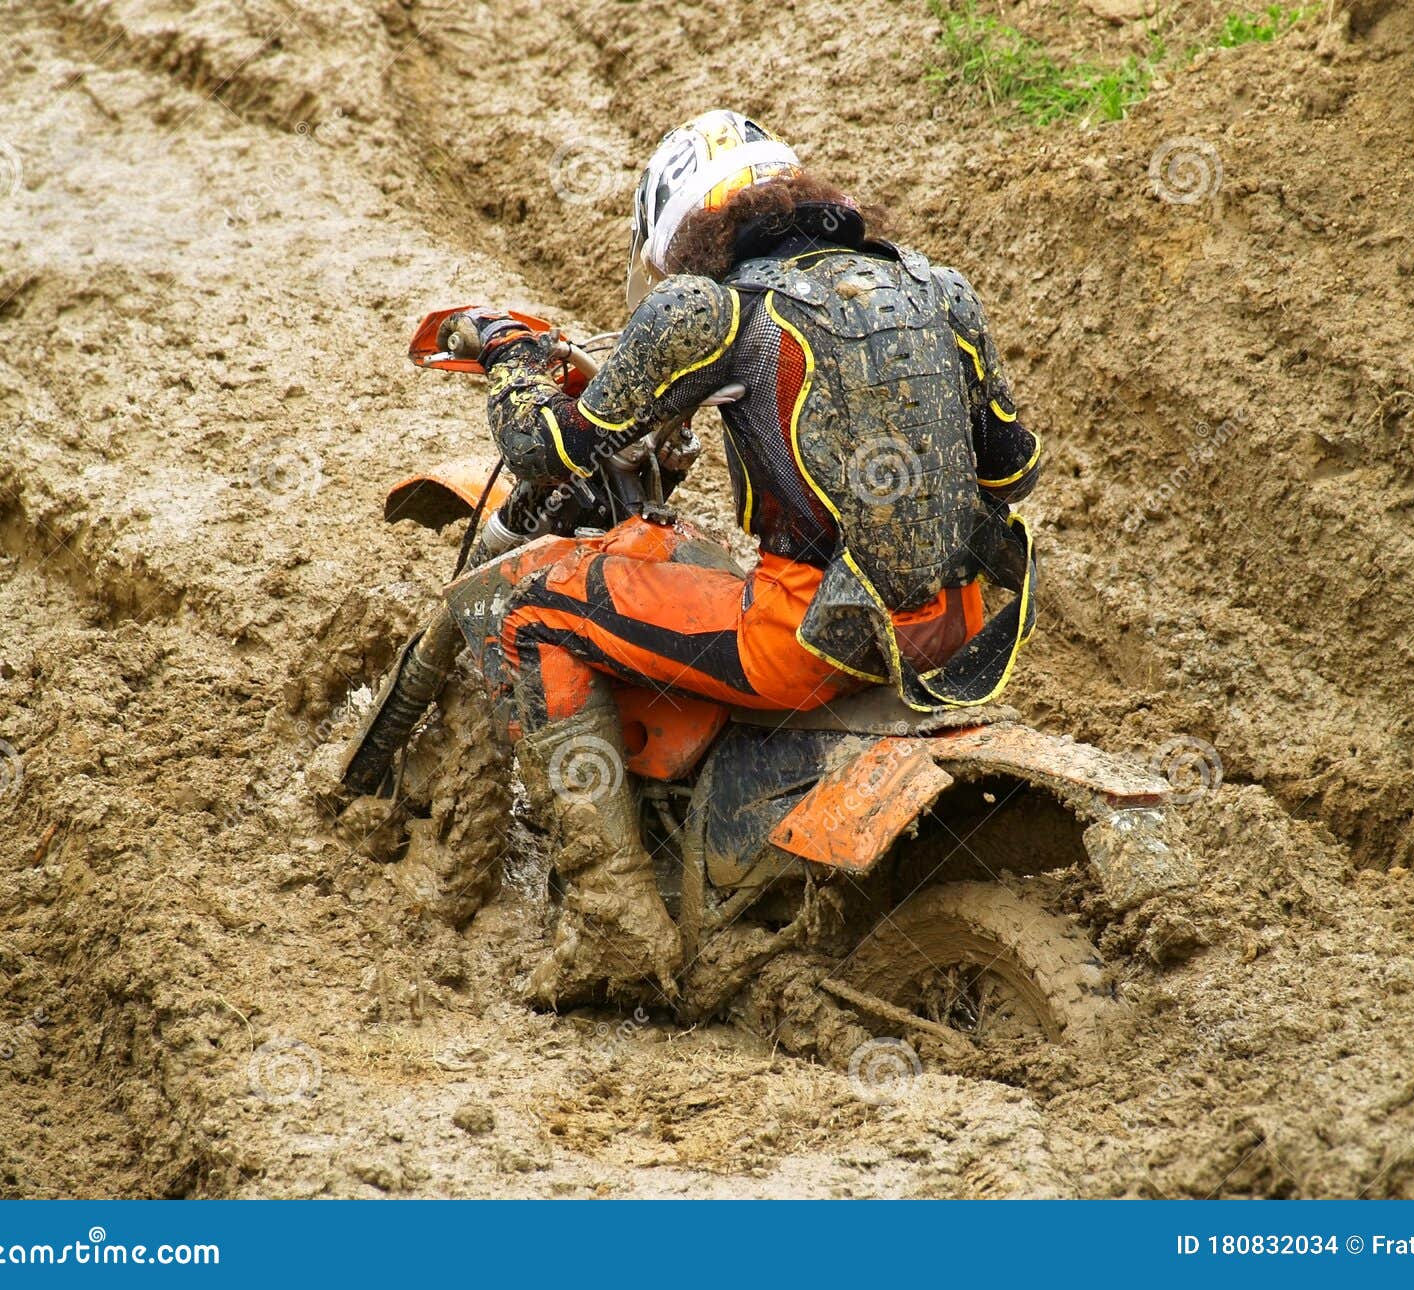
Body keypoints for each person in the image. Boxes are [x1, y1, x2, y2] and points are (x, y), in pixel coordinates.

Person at [345, 109, 1041, 1008]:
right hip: (958, 628)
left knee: (537, 611)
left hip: (809, 637)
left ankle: (609, 920)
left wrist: (515, 356)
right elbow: (1013, 468)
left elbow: (545, 453)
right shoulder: (936, 287)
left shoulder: (710, 306)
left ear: (674, 233)